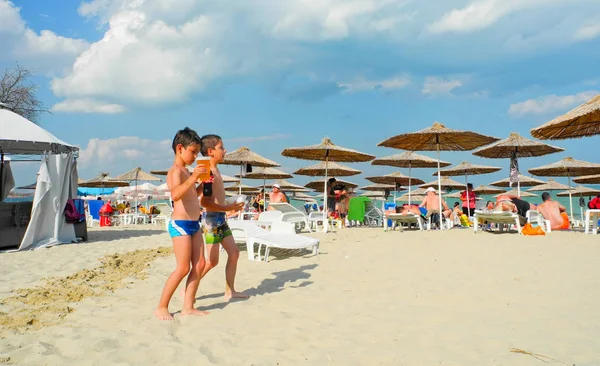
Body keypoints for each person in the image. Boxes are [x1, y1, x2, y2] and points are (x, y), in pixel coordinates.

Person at [155, 127, 209, 321]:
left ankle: (188, 306)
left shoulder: (187, 171)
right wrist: (194, 178)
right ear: (180, 148)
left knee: (200, 264)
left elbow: (192, 195)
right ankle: (162, 306)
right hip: (180, 224)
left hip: (194, 223)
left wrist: (202, 184)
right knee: (183, 267)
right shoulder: (175, 171)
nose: (195, 156)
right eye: (193, 152)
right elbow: (176, 194)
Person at [199, 134, 248, 301]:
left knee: (234, 253)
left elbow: (215, 198)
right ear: (211, 151)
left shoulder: (216, 169)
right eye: (221, 148)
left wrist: (229, 206)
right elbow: (205, 202)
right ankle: (188, 290)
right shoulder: (207, 172)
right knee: (211, 262)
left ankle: (230, 290)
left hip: (220, 217)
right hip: (211, 220)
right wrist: (227, 207)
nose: (225, 150)